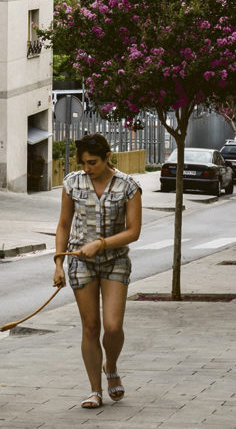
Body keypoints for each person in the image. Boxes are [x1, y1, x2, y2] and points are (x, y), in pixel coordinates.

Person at [53, 133, 142, 409]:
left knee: (113, 327)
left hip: (115, 260)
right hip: (80, 261)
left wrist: (101, 244)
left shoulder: (129, 186)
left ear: (107, 158)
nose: (86, 168)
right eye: (82, 163)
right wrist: (58, 264)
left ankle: (111, 365)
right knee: (91, 326)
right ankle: (95, 390)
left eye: (92, 162)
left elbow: (133, 231)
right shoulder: (72, 183)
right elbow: (64, 225)